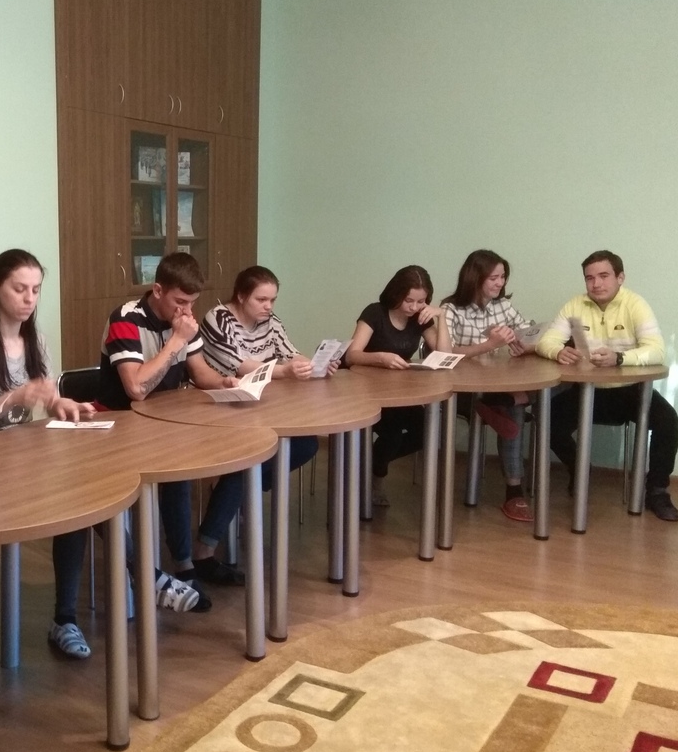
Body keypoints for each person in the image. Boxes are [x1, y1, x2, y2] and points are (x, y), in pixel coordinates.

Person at [0, 249, 96, 658]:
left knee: (82, 501)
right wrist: (14, 397)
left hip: (24, 459)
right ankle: (150, 577)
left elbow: (48, 400)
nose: (29, 299)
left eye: (36, 290)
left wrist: (64, 405)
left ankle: (65, 618)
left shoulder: (36, 341)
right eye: (20, 289)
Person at [95, 252, 239, 612]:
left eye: (192, 302)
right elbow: (136, 388)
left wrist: (225, 382)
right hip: (119, 428)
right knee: (174, 470)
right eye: (180, 301)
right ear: (157, 290)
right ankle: (165, 570)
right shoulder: (125, 319)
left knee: (208, 463)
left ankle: (188, 564)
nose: (186, 310)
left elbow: (200, 373)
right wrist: (175, 341)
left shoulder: (184, 320)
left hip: (164, 424)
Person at [535, 250, 678, 521]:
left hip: (630, 392)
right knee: (544, 418)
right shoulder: (575, 305)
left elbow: (657, 351)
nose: (596, 284)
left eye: (604, 276)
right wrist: (557, 352)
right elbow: (546, 341)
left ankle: (657, 490)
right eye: (590, 278)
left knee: (669, 423)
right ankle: (580, 469)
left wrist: (620, 358)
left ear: (620, 277)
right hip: (585, 390)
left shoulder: (635, 304)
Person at [197, 266, 322, 582]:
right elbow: (239, 365)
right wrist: (285, 372)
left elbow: (290, 353)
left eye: (272, 300)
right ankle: (204, 549)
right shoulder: (218, 318)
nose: (268, 306)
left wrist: (312, 365)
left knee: (307, 444)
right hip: (220, 408)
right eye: (262, 299)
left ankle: (239, 493)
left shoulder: (270, 322)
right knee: (246, 467)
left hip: (261, 407)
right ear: (241, 296)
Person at [441, 250, 535, 522]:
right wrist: (489, 345)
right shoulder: (450, 309)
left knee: (537, 393)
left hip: (498, 385)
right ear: (475, 277)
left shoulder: (502, 306)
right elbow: (445, 352)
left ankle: (503, 402)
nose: (499, 283)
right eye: (493, 278)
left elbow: (528, 331)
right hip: (462, 389)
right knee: (515, 408)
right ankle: (514, 491)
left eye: (503, 277)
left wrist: (523, 343)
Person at [345, 265, 451, 507]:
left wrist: (441, 317)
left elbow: (445, 356)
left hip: (399, 392)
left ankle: (371, 465)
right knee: (392, 434)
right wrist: (380, 358)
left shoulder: (419, 318)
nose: (414, 307)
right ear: (396, 294)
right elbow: (352, 355)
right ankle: (374, 476)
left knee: (427, 430)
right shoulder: (375, 313)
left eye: (421, 301)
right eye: (409, 300)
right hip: (366, 392)